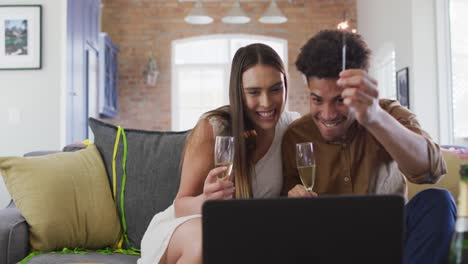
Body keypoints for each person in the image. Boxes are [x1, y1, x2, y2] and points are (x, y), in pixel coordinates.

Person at [281, 29, 456, 264]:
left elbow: (431, 171)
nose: (328, 114)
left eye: (340, 100)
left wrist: (375, 118)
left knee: (438, 201)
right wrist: (293, 198)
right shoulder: (296, 135)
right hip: (329, 249)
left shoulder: (388, 115)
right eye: (317, 100)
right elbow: (284, 213)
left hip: (390, 243)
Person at [138, 43, 300, 264]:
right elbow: (180, 205)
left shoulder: (291, 127)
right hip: (189, 226)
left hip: (239, 233)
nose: (267, 102)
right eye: (254, 92)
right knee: (208, 243)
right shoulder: (213, 128)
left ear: (285, 85)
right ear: (238, 93)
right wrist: (207, 200)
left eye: (275, 89)